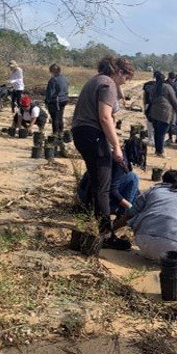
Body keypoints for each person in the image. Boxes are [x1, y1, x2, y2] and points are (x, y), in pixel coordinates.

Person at [71, 55, 135, 248]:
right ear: (119, 72)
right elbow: (105, 118)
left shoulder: (97, 80)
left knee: (97, 179)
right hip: (93, 134)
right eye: (126, 78)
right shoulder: (107, 84)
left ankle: (91, 218)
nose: (126, 82)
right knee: (103, 186)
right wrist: (116, 147)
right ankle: (106, 235)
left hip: (82, 133)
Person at [116, 170, 177, 272]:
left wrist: (110, 229)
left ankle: (160, 253)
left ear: (163, 181)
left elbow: (129, 215)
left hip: (143, 242)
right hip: (175, 250)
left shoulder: (151, 191)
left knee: (143, 214)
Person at [147, 71, 177, 157]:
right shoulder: (167, 87)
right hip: (165, 114)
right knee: (162, 133)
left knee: (157, 133)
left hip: (154, 113)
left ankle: (157, 151)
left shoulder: (153, 87)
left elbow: (150, 99)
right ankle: (161, 152)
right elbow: (174, 101)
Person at [45, 63, 70, 135]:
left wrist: (47, 102)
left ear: (52, 71)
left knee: (55, 118)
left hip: (56, 101)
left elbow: (50, 93)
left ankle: (55, 134)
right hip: (64, 99)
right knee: (60, 117)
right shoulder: (65, 78)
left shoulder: (53, 80)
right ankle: (61, 133)